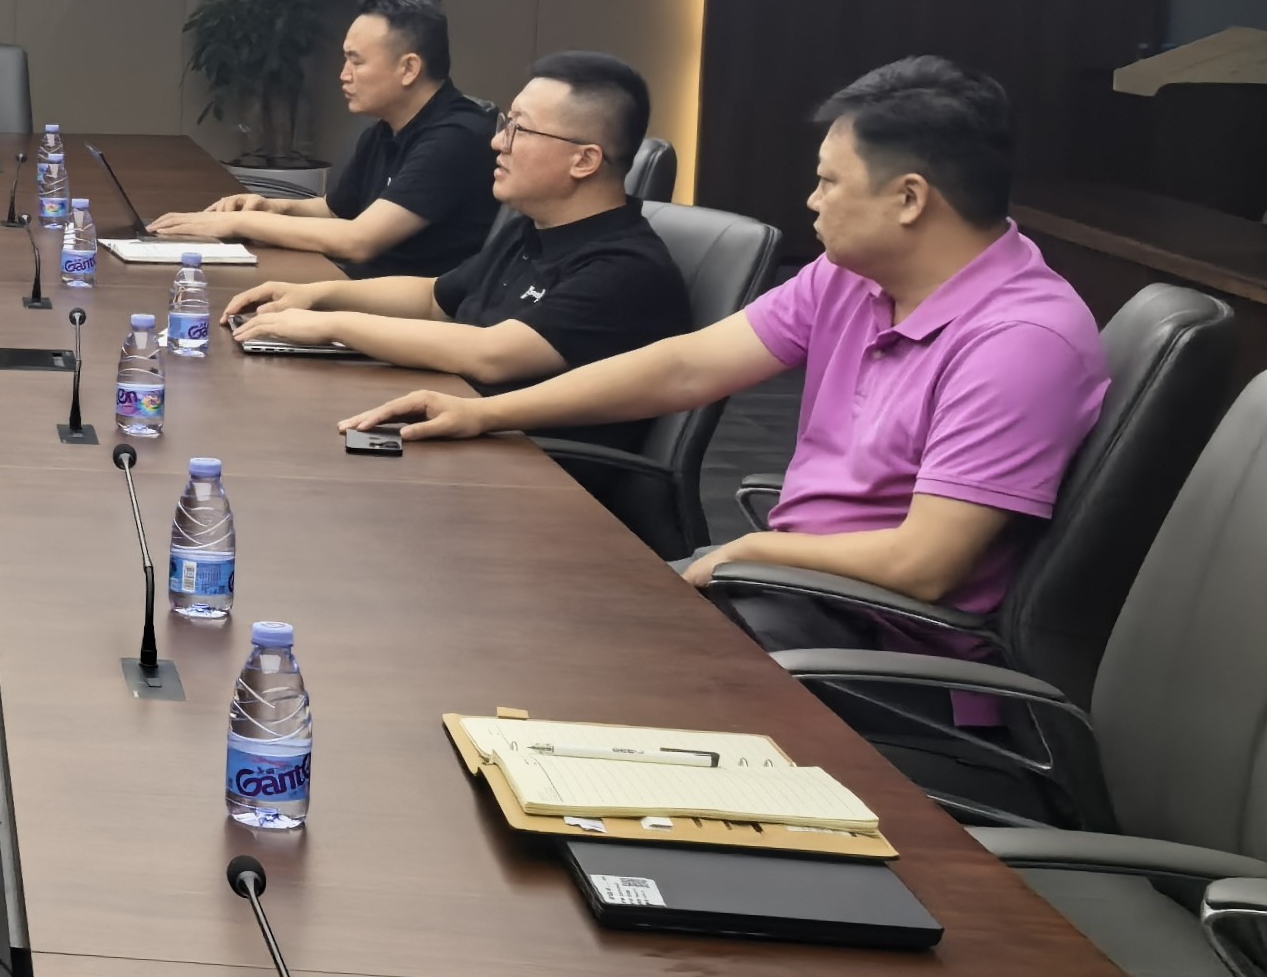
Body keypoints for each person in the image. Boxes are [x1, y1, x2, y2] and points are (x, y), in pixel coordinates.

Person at [342, 57, 1109, 664]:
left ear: (909, 199)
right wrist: (484, 412)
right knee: (530, 628)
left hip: (875, 643)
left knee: (569, 656)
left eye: (828, 181)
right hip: (789, 589)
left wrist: (749, 550)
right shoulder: (850, 277)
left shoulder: (1019, 342)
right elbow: (685, 367)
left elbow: (924, 565)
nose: (811, 200)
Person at [220, 52, 688, 450]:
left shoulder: (624, 269)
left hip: (543, 474)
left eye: (520, 130)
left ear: (584, 160)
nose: (497, 142)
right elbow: (433, 297)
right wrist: (318, 295)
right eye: (506, 124)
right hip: (466, 433)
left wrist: (333, 325)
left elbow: (491, 354)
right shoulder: (533, 230)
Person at [150, 0, 497, 279]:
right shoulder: (387, 128)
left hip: (409, 318)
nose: (343, 75)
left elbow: (359, 240)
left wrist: (239, 224)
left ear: (409, 68)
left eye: (356, 61)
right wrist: (273, 207)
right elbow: (335, 211)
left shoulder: (456, 137)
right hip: (355, 288)